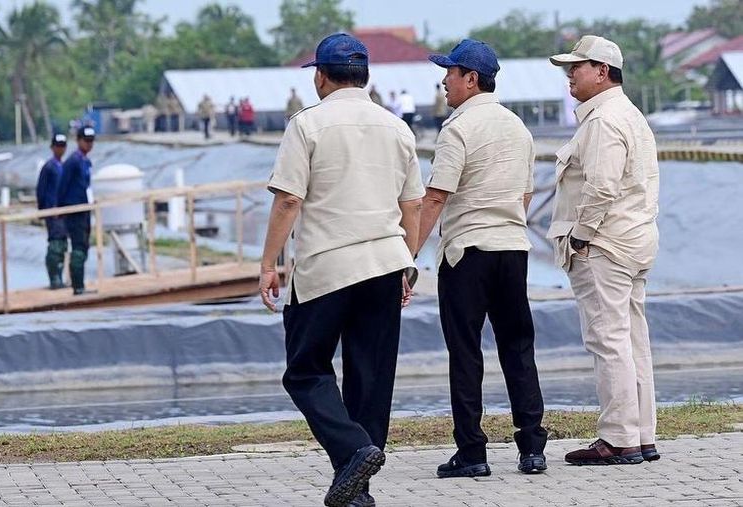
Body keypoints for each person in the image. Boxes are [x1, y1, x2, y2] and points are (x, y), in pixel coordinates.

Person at [259, 32, 424, 507]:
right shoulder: (397, 127)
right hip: (384, 264)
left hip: (327, 268)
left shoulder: (307, 125)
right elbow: (411, 206)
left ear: (321, 76)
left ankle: (353, 452)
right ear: (365, 76)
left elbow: (289, 198)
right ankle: (358, 488)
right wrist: (406, 267)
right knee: (370, 378)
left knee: (305, 371)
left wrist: (269, 264)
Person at [416, 38, 549, 479]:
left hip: (467, 253)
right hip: (512, 249)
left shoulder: (456, 129)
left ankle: (472, 452)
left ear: (471, 79)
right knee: (518, 346)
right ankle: (532, 447)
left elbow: (436, 196)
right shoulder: (519, 128)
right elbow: (526, 193)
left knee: (466, 352)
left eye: (450, 73)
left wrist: (408, 254)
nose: (444, 80)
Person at [549, 35, 660, 466]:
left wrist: (580, 236)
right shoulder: (629, 114)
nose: (569, 77)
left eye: (575, 68)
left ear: (602, 71)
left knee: (608, 340)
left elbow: (601, 187)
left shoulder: (603, 120)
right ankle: (642, 435)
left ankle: (618, 439)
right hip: (634, 240)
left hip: (606, 244)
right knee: (633, 340)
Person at [57, 126, 96, 295]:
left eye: (91, 141)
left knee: (85, 245)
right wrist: (61, 208)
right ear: (78, 141)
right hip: (75, 210)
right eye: (86, 141)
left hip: (84, 208)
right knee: (79, 246)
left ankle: (80, 284)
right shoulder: (72, 162)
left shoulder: (85, 162)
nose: (89, 144)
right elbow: (62, 186)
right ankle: (78, 287)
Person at [36, 133, 69, 289]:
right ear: (52, 147)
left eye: (63, 146)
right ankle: (54, 278)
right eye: (58, 146)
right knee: (55, 244)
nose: (60, 149)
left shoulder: (63, 166)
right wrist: (44, 210)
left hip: (63, 212)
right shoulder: (49, 167)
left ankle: (60, 277)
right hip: (52, 211)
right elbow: (41, 190)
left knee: (62, 243)